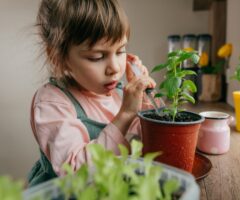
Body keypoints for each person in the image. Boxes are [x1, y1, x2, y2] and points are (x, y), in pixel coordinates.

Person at [28, 0, 156, 187]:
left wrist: (145, 98)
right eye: (97, 57)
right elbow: (75, 172)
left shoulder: (120, 93)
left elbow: (152, 138)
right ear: (57, 57)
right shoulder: (52, 103)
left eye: (120, 51)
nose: (114, 68)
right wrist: (126, 114)